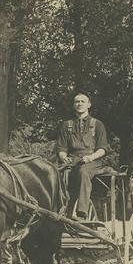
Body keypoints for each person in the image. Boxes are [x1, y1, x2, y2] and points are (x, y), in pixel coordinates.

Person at [55, 91, 108, 219]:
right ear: (74, 105)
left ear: (89, 104)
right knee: (54, 173)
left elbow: (103, 149)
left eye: (82, 101)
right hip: (72, 160)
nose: (79, 104)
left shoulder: (97, 124)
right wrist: (63, 157)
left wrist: (90, 157)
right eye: (77, 102)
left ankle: (81, 212)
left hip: (93, 161)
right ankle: (60, 210)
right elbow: (61, 148)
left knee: (83, 172)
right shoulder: (66, 125)